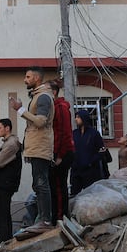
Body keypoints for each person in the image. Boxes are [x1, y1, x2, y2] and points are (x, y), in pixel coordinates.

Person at [11, 67, 54, 234]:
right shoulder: (39, 95)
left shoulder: (43, 96)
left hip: (40, 147)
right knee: (38, 183)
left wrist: (20, 110)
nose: (25, 79)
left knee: (41, 184)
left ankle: (45, 220)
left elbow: (41, 121)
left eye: (28, 77)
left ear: (37, 78)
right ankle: (42, 219)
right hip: (36, 147)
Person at [0, 118, 22, 242]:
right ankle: (7, 241)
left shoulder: (11, 143)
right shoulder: (9, 142)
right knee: (4, 214)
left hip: (6, 183)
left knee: (2, 216)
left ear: (7, 128)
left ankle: (4, 243)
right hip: (5, 183)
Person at [48, 79, 74, 222]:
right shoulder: (53, 108)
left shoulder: (61, 107)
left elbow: (63, 133)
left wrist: (59, 155)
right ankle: (57, 218)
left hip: (62, 154)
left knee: (58, 187)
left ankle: (60, 218)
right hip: (56, 152)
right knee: (54, 187)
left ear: (53, 92)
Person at [70, 109, 105, 196]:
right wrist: (72, 163)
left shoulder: (94, 134)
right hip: (76, 171)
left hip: (90, 172)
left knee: (91, 196)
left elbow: (102, 151)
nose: (76, 119)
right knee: (75, 195)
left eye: (78, 117)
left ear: (84, 118)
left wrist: (90, 162)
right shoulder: (74, 134)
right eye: (76, 117)